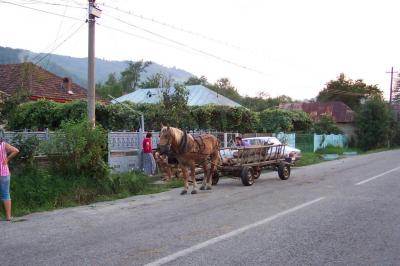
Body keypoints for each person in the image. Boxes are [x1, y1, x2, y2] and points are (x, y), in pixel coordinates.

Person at [0, 139, 19, 221]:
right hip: (4, 172)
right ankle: (8, 216)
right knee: (6, 194)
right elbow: (16, 150)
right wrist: (7, 159)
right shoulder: (3, 145)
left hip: (4, 173)